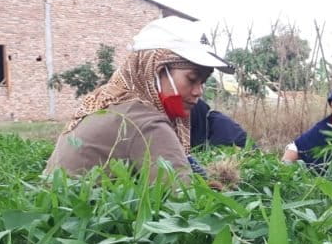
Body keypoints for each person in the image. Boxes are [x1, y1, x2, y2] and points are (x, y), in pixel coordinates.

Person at [44, 16, 234, 183]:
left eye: (203, 82)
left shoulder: (108, 103)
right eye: (192, 79)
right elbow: (185, 201)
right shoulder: (145, 122)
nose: (198, 91)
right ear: (155, 71)